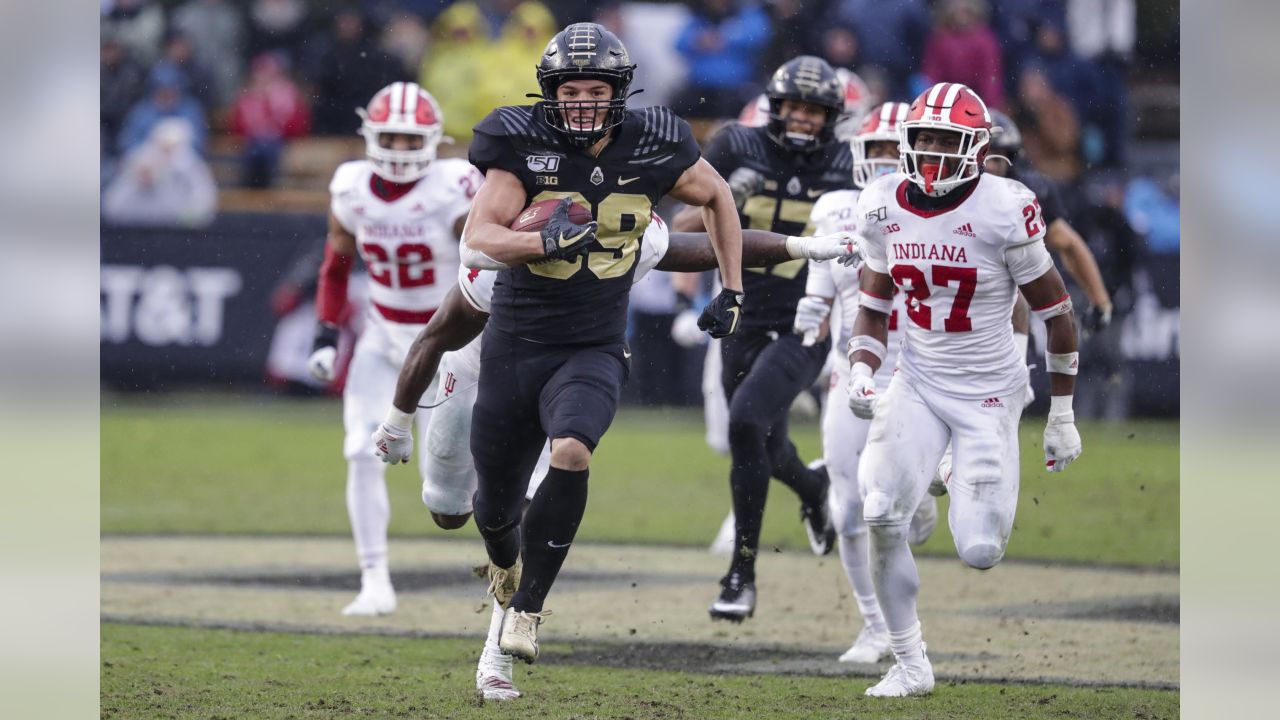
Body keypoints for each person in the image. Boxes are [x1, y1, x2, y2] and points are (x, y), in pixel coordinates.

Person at [371, 219, 856, 700]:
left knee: (548, 480)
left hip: (569, 368)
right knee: (450, 511)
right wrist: (397, 420)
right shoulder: (500, 256)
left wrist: (803, 246)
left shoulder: (620, 228)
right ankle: (505, 568)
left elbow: (708, 244)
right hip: (482, 372)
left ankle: (503, 640)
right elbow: (435, 335)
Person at [452, 22, 745, 667]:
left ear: (620, 91)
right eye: (570, 89)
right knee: (494, 508)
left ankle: (527, 609)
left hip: (593, 342)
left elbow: (718, 196)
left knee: (573, 451)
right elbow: (479, 237)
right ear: (550, 92)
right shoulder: (520, 139)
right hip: (516, 340)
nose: (582, 101)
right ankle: (504, 560)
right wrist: (542, 242)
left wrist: (729, 288)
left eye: (596, 89)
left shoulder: (655, 139)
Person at [847, 82, 1082, 697]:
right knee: (879, 511)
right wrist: (862, 369)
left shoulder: (1004, 207)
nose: (930, 151)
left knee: (980, 550)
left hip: (987, 392)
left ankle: (945, 468)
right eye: (922, 138)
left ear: (976, 148)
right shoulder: (881, 203)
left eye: (945, 140)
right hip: (919, 379)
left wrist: (1061, 414)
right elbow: (873, 306)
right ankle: (910, 663)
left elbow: (1058, 314)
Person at [673, 56, 850, 623]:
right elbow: (677, 229)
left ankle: (740, 574)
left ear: (831, 116)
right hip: (742, 316)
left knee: (746, 421)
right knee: (764, 442)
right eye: (794, 107)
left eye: (814, 109)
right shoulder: (736, 147)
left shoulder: (848, 164)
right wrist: (720, 199)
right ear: (775, 107)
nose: (802, 118)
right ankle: (814, 489)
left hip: (807, 317)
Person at [305, 81, 484, 617]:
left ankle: (506, 572)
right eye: (392, 138)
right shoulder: (352, 188)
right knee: (360, 452)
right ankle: (374, 578)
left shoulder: (454, 187)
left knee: (447, 494)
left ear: (431, 140)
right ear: (371, 136)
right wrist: (325, 331)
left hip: (450, 345)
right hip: (383, 340)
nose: (401, 150)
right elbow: (335, 266)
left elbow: (484, 258)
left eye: (411, 140)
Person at [794, 102, 939, 665]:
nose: (881, 163)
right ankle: (877, 627)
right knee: (848, 508)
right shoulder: (836, 208)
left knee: (900, 506)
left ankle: (926, 484)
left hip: (922, 371)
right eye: (872, 151)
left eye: (890, 152)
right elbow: (822, 276)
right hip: (852, 370)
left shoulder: (942, 213)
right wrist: (812, 310)